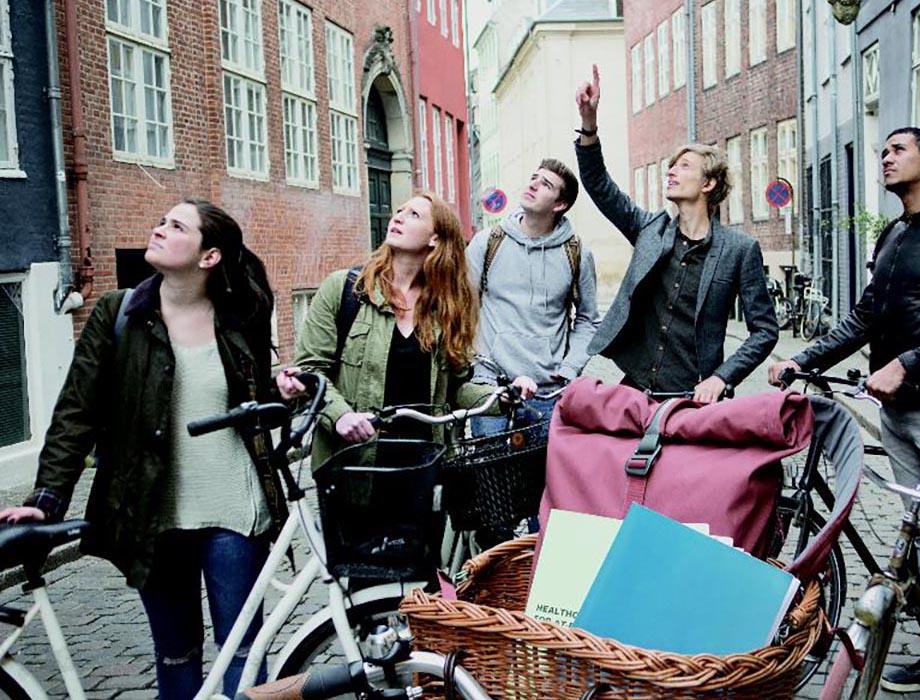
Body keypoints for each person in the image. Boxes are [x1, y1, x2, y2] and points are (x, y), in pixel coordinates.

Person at [0, 200, 282, 699]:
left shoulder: (241, 315)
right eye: (162, 221)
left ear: (209, 256)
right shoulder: (120, 314)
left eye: (176, 226)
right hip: (155, 516)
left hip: (235, 513)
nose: (159, 229)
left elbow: (260, 400)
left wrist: (286, 394)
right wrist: (46, 500)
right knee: (176, 659)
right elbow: (75, 413)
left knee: (243, 652)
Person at [769, 127, 920, 690]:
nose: (886, 158)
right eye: (883, 152)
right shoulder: (894, 234)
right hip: (896, 414)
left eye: (897, 150)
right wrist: (804, 359)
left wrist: (911, 364)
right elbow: (865, 316)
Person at [574, 65, 777, 403]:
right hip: (637, 388)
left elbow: (765, 331)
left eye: (684, 166)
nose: (671, 171)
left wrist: (721, 378)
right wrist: (589, 125)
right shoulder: (649, 229)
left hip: (695, 396)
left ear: (708, 184)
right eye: (672, 165)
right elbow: (599, 185)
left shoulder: (740, 250)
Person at [278, 192, 499, 468]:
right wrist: (341, 416)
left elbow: (455, 389)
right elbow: (311, 370)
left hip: (425, 470)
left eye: (414, 215)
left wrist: (501, 397)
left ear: (436, 239)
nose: (398, 217)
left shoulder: (447, 309)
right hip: (353, 465)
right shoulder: (345, 290)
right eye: (399, 210)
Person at [466, 157, 600, 438]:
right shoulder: (488, 242)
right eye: (534, 178)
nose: (534, 184)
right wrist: (474, 363)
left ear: (559, 205)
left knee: (546, 477)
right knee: (491, 479)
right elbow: (462, 306)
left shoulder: (576, 252)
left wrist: (569, 368)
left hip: (548, 392)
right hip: (493, 387)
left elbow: (588, 319)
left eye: (546, 184)